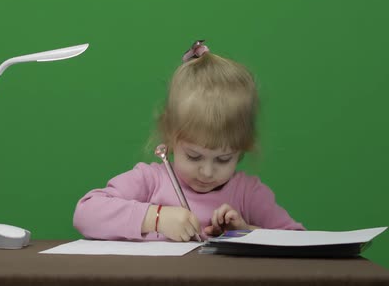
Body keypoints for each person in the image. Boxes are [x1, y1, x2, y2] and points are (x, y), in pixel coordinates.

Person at [73, 40, 304, 242]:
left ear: (242, 149)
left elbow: (299, 240)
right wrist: (156, 218)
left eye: (223, 159)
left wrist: (246, 233)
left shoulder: (248, 193)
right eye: (194, 156)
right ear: (170, 136)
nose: (206, 172)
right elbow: (85, 213)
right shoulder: (151, 181)